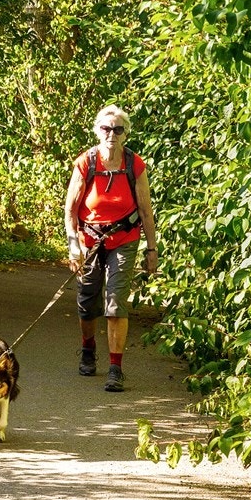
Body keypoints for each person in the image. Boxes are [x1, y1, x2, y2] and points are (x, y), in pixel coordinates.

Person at [63, 104, 158, 392]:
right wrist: (73, 247)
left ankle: (115, 367)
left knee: (116, 302)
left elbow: (145, 210)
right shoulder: (86, 163)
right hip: (89, 240)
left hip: (124, 239)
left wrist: (151, 250)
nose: (111, 135)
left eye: (118, 129)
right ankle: (88, 350)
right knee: (88, 299)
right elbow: (70, 211)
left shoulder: (134, 164)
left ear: (126, 133)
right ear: (97, 131)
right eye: (106, 129)